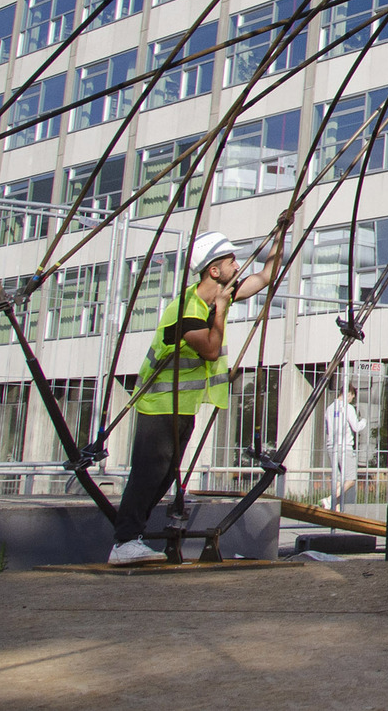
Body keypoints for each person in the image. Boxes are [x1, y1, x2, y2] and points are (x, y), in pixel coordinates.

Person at [108, 229, 279, 565]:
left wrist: (282, 232)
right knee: (148, 474)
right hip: (160, 405)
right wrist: (219, 311)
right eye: (230, 260)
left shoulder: (216, 299)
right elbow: (212, 350)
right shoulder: (186, 310)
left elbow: (266, 276)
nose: (237, 264)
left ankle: (132, 539)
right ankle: (124, 541)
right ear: (213, 270)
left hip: (181, 405)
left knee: (163, 474)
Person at [324, 383, 367, 512]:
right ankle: (330, 499)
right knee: (350, 479)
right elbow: (356, 427)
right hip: (345, 446)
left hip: (331, 445)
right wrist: (364, 421)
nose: (351, 400)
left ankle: (335, 508)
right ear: (349, 394)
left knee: (338, 479)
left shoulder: (330, 408)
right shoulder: (348, 408)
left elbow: (327, 428)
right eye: (352, 397)